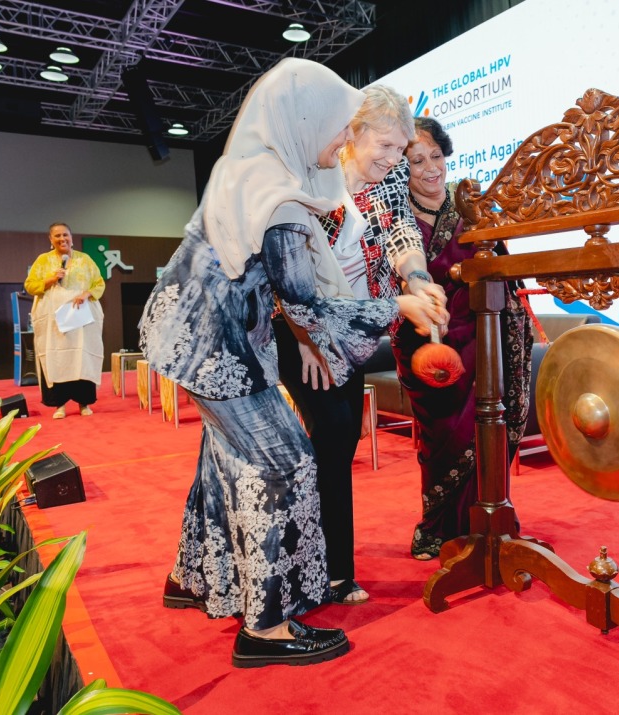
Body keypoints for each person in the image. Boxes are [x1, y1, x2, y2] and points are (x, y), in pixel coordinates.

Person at [139, 59, 445, 668]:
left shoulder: (263, 169)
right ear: (307, 119)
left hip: (199, 335)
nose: (342, 139)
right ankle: (267, 628)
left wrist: (405, 284)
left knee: (224, 460)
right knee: (285, 460)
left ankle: (194, 577)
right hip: (213, 343)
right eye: (343, 127)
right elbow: (308, 298)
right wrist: (399, 306)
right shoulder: (276, 192)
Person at [274, 85, 448, 604]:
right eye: (389, 147)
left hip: (352, 326)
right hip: (296, 325)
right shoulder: (309, 178)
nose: (398, 161)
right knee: (329, 427)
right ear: (353, 134)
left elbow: (400, 233)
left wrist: (416, 278)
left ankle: (335, 569)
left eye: (403, 151)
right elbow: (286, 268)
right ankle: (310, 567)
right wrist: (303, 334)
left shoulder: (387, 179)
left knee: (343, 434)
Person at [399, 117, 533, 559]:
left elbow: (505, 271)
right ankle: (436, 525)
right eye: (416, 161)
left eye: (435, 156)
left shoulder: (472, 207)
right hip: (427, 342)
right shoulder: (395, 220)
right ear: (402, 169)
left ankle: (491, 515)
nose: (430, 168)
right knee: (443, 438)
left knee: (489, 429)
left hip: (484, 339)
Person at [24, 222, 105, 419]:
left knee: (81, 356)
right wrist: (51, 279)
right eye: (58, 236)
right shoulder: (43, 261)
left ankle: (83, 403)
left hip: (80, 319)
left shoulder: (85, 260)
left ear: (71, 237)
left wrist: (86, 294)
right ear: (50, 239)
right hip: (54, 322)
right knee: (57, 357)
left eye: (65, 235)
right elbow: (30, 286)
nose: (63, 239)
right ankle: (59, 404)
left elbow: (99, 283)